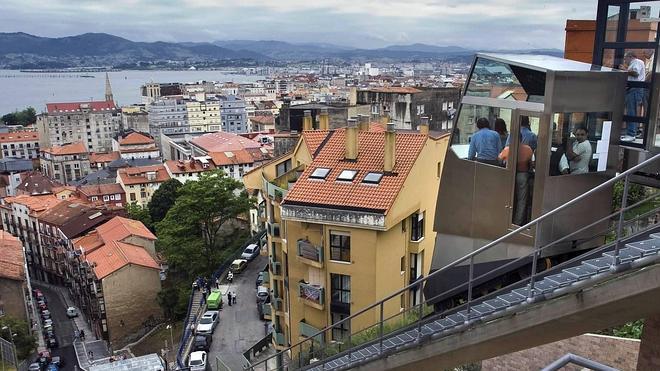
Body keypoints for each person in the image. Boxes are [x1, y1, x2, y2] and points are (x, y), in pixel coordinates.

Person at [498, 136, 534, 225]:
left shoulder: (507, 149)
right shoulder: (528, 149)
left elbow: (499, 160)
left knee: (507, 198)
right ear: (522, 139)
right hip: (523, 175)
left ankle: (505, 220)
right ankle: (517, 223)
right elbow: (533, 163)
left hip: (509, 175)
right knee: (522, 200)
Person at [622, 51, 646, 139]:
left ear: (630, 57)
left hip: (635, 89)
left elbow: (636, 73)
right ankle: (630, 132)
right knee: (630, 111)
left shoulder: (637, 62)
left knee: (631, 111)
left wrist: (625, 70)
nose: (625, 61)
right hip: (631, 89)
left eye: (625, 58)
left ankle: (631, 134)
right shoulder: (633, 64)